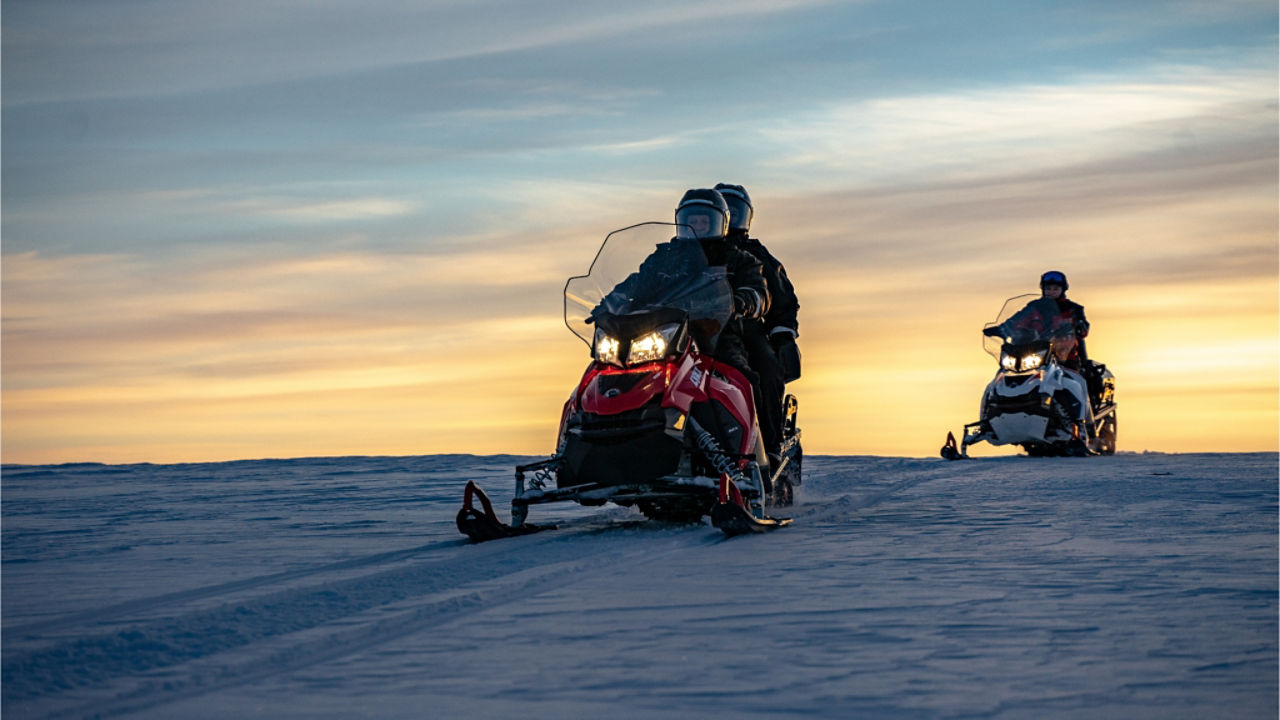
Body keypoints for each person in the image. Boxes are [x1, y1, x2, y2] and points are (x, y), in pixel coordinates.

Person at [714, 183, 800, 463]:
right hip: (688, 328)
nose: (730, 217)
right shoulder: (685, 252)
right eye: (725, 209)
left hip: (744, 327)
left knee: (764, 366)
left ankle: (770, 445)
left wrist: (783, 335)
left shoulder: (755, 255)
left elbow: (781, 299)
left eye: (736, 211)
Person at [985, 270, 1088, 370]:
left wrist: (1079, 327)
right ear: (1043, 289)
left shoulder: (1073, 309)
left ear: (1062, 290)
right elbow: (1017, 320)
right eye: (1048, 288)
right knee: (1005, 372)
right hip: (1033, 353)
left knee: (1083, 375)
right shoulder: (1035, 307)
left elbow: (1084, 329)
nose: (1051, 292)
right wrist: (1002, 329)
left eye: (1055, 289)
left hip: (1063, 355)